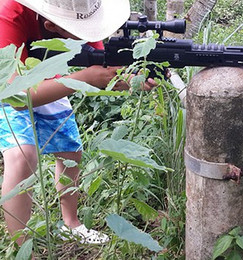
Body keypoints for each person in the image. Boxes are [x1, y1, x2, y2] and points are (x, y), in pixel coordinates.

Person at [0, 0, 157, 245]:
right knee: (22, 156)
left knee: (70, 151)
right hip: (7, 84)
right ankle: (21, 248)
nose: (90, 35)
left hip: (49, 78)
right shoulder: (9, 15)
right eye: (83, 31)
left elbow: (102, 65)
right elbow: (17, 96)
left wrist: (128, 79)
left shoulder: (82, 12)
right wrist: (86, 78)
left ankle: (71, 224)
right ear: (53, 26)